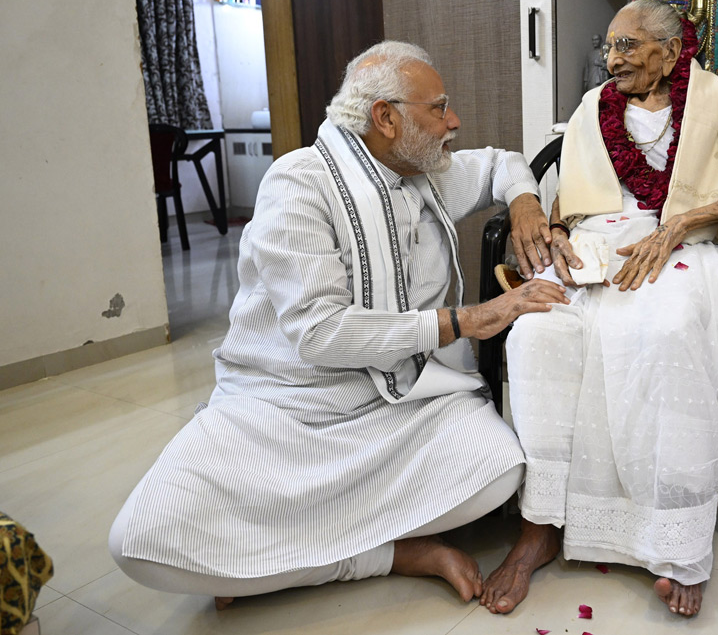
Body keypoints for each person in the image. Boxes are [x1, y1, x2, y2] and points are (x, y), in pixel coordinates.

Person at [109, 41, 568, 609]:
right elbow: (321, 333)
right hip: (286, 406)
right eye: (438, 107)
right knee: (139, 541)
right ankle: (395, 553)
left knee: (499, 471)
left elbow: (502, 162)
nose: (454, 121)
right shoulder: (298, 186)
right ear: (386, 118)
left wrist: (524, 203)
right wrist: (465, 320)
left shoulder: (427, 171)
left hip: (399, 403)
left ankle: (269, 561)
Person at [480, 0, 718, 618]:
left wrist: (679, 225)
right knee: (537, 336)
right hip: (595, 246)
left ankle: (676, 543)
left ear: (670, 54)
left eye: (627, 46)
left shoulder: (712, 98)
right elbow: (566, 199)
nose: (610, 59)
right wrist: (556, 230)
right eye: (609, 46)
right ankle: (541, 523)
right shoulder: (593, 108)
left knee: (666, 331)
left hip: (677, 244)